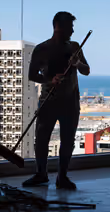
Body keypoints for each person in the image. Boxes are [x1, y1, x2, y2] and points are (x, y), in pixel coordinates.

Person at [23, 11, 90, 189]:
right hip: (48, 100)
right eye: (70, 27)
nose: (73, 31)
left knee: (68, 140)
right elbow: (32, 75)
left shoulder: (75, 47)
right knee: (42, 138)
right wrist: (50, 80)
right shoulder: (41, 49)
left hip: (71, 102)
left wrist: (77, 63)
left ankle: (62, 177)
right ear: (58, 27)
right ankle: (41, 174)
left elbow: (86, 70)